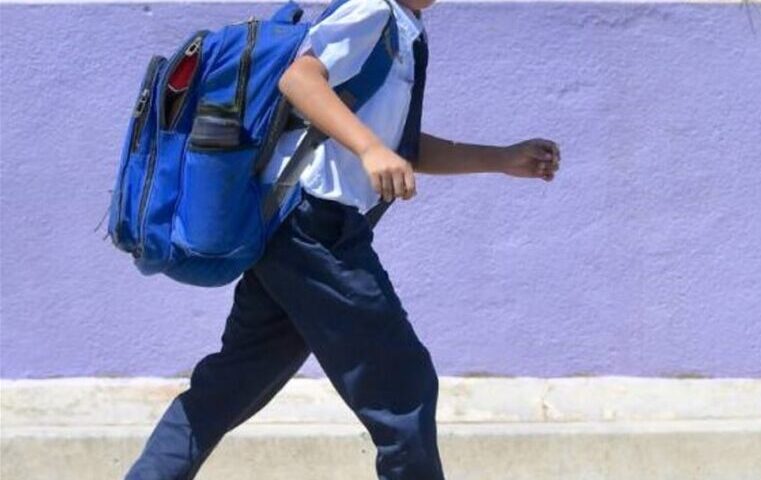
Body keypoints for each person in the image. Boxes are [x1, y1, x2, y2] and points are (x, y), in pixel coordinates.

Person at [124, 0, 560, 478]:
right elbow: (301, 79)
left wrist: (501, 158)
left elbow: (401, 148)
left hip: (293, 233)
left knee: (231, 383)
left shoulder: (405, 30)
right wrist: (370, 149)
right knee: (404, 387)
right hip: (314, 226)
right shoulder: (372, 10)